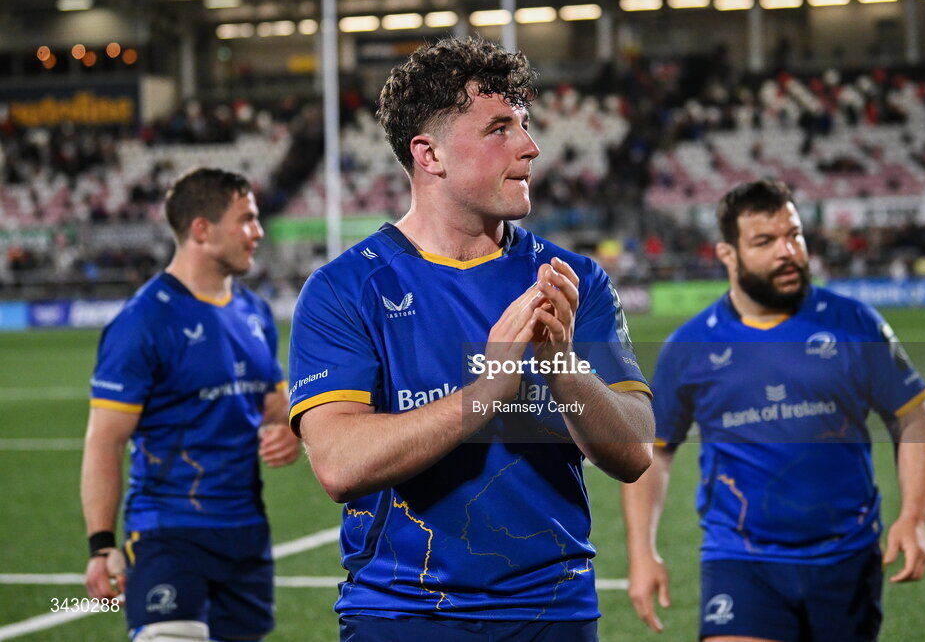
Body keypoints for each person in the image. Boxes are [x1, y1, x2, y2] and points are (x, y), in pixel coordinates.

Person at [288, 36, 655, 641]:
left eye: (526, 126)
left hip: (553, 614)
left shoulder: (571, 281)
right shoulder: (345, 289)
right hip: (401, 616)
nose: (531, 148)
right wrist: (488, 392)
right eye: (499, 129)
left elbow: (635, 450)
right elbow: (340, 464)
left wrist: (561, 366)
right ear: (429, 154)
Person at [622, 179, 925, 642]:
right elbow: (656, 452)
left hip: (846, 555)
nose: (787, 251)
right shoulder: (690, 347)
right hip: (740, 559)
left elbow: (912, 416)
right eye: (765, 241)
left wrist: (914, 516)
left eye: (794, 235)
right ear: (727, 254)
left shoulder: (854, 322)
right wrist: (641, 551)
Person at [81, 167, 299, 642]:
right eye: (246, 219)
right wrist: (101, 546)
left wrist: (289, 429)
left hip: (247, 534)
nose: (258, 232)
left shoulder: (255, 313)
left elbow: (274, 405)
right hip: (168, 533)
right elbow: (105, 442)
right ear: (202, 229)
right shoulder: (144, 321)